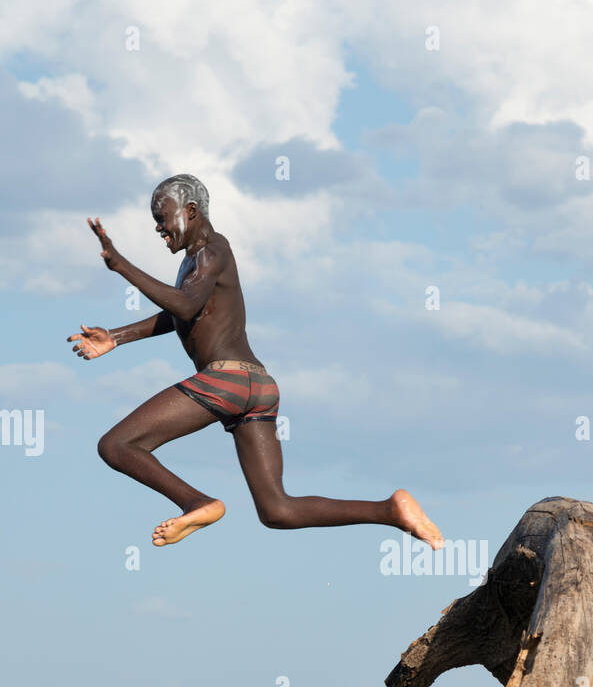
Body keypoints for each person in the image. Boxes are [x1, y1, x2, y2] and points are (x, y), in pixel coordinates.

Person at [67, 174, 444, 549]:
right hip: (256, 386)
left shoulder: (213, 250)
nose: (159, 229)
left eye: (163, 219)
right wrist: (116, 337)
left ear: (191, 211)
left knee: (116, 445)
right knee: (277, 510)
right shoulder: (196, 261)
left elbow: (183, 305)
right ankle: (391, 511)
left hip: (224, 380)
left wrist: (122, 265)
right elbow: (184, 313)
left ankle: (197, 502)